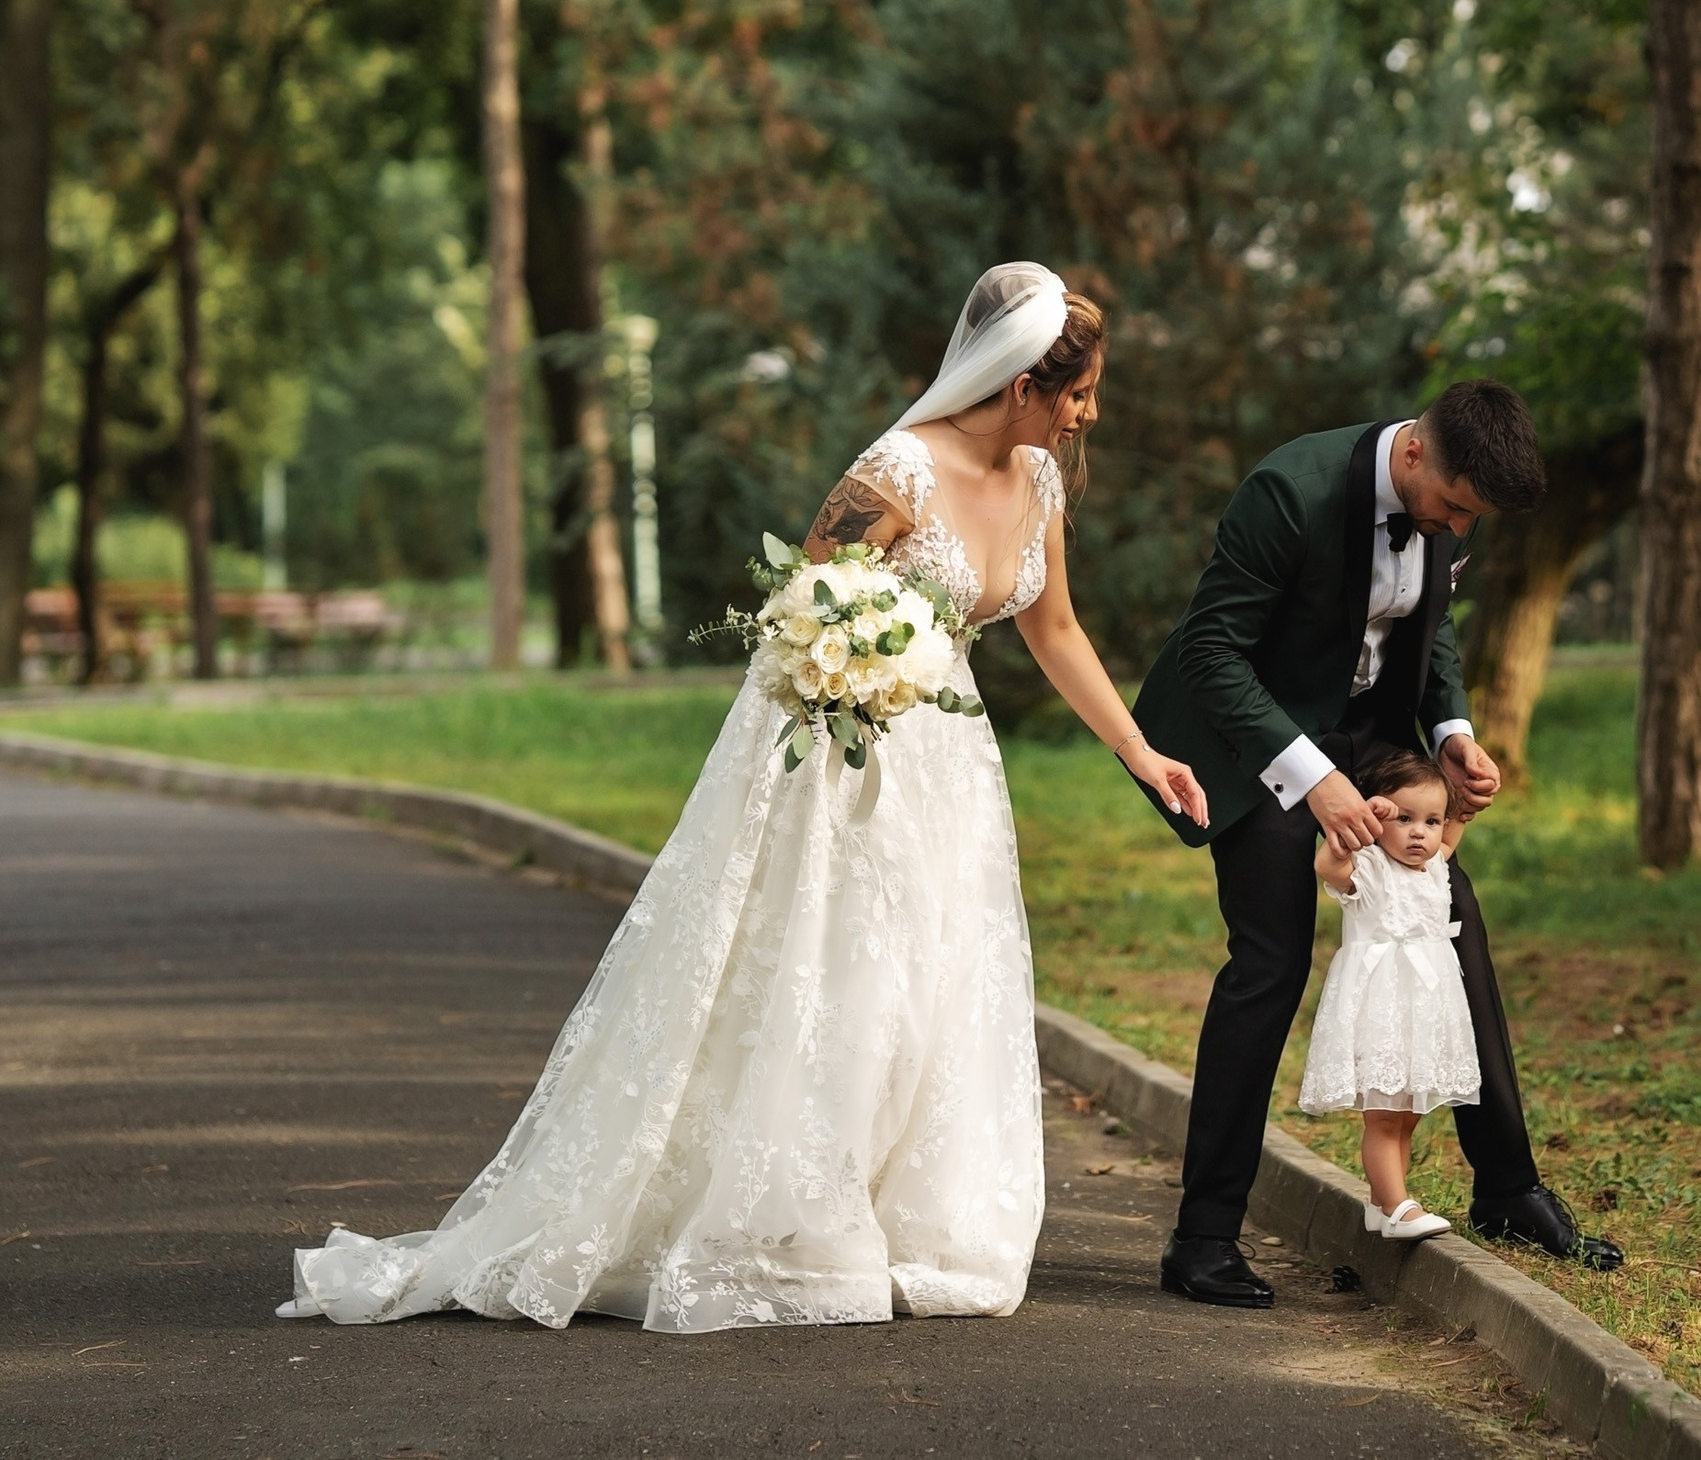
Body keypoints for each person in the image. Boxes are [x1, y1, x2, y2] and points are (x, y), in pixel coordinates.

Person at [276, 262, 1206, 1333]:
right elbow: (803, 615)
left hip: (953, 768)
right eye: (1078, 391)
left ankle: (916, 1224)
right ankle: (800, 1230)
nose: (1090, 412)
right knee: (848, 978)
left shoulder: (1038, 481)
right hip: (851, 761)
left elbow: (1054, 631)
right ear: (1019, 382)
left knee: (937, 978)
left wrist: (1140, 751)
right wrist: (849, 682)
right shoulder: (897, 471)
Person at [1132, 381, 1623, 1311]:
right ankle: (1201, 1240)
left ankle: (1507, 1186)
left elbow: (1427, 633)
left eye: (1469, 519)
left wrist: (1450, 733)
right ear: (1412, 459)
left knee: (1450, 912)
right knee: (1270, 954)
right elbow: (1211, 651)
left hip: (1364, 729)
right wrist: (1312, 780)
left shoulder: (1447, 505)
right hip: (1255, 734)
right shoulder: (1290, 492)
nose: (1454, 527)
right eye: (1451, 507)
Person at [1300, 749, 1482, 1241]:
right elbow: (1327, 865)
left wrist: (1461, 806)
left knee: (1407, 1114)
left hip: (1425, 1006)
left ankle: (1383, 1204)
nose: (1420, 832)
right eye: (1403, 819)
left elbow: (1454, 829)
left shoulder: (1436, 868)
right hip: (1380, 1004)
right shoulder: (1369, 867)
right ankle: (1399, 1205)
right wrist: (1356, 826)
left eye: (1431, 821)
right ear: (1377, 817)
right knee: (1382, 1115)